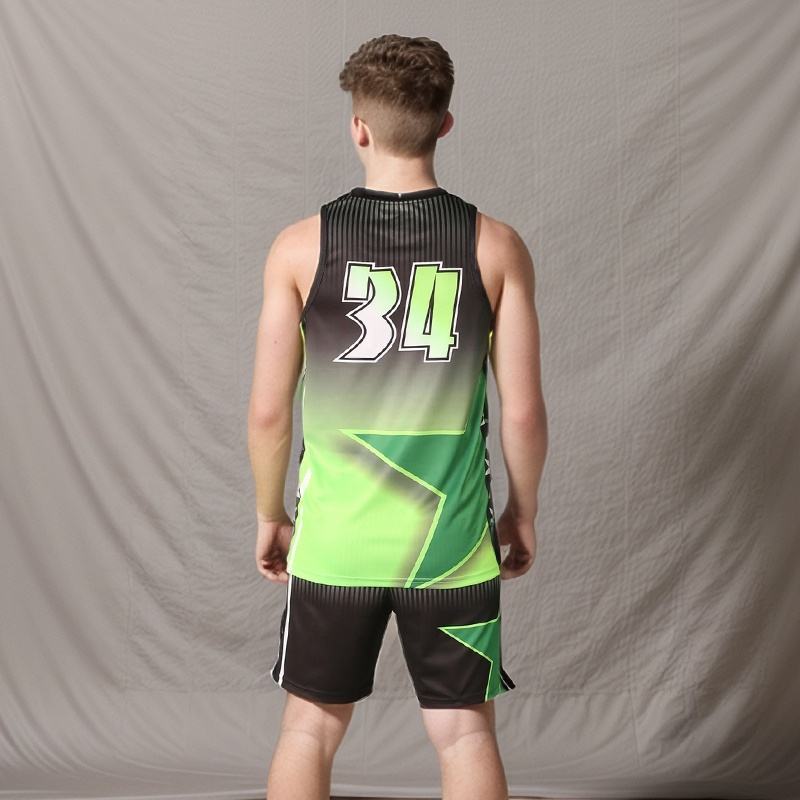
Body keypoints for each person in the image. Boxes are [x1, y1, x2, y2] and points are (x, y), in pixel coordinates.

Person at [247, 33, 547, 800]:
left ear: (359, 128)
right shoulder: (496, 247)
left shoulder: (299, 247)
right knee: (465, 734)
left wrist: (270, 513)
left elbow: (269, 412)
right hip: (452, 545)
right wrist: (522, 512)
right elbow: (522, 413)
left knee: (308, 730)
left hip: (335, 543)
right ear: (444, 124)